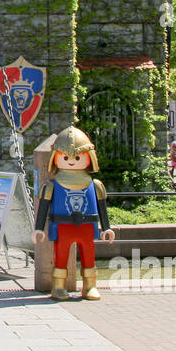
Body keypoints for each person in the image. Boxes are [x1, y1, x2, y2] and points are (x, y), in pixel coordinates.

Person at [33, 126, 114, 301]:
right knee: (60, 255)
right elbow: (44, 206)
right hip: (63, 226)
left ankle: (90, 285)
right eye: (65, 157)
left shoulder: (95, 185)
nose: (71, 160)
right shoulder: (52, 185)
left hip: (86, 225)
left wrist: (106, 227)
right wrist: (38, 228)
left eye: (77, 157)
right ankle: (59, 286)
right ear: (56, 158)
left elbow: (101, 207)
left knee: (88, 254)